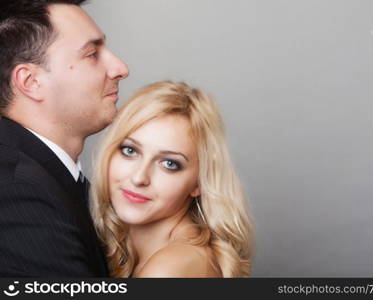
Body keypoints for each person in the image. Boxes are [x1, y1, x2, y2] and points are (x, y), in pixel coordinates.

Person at [0, 0, 129, 276]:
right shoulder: (18, 192)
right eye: (92, 53)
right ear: (31, 82)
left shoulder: (47, 177)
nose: (120, 68)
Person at [91, 81, 253, 277]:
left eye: (169, 164)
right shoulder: (153, 256)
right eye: (130, 150)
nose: (139, 177)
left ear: (199, 182)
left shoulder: (169, 268)